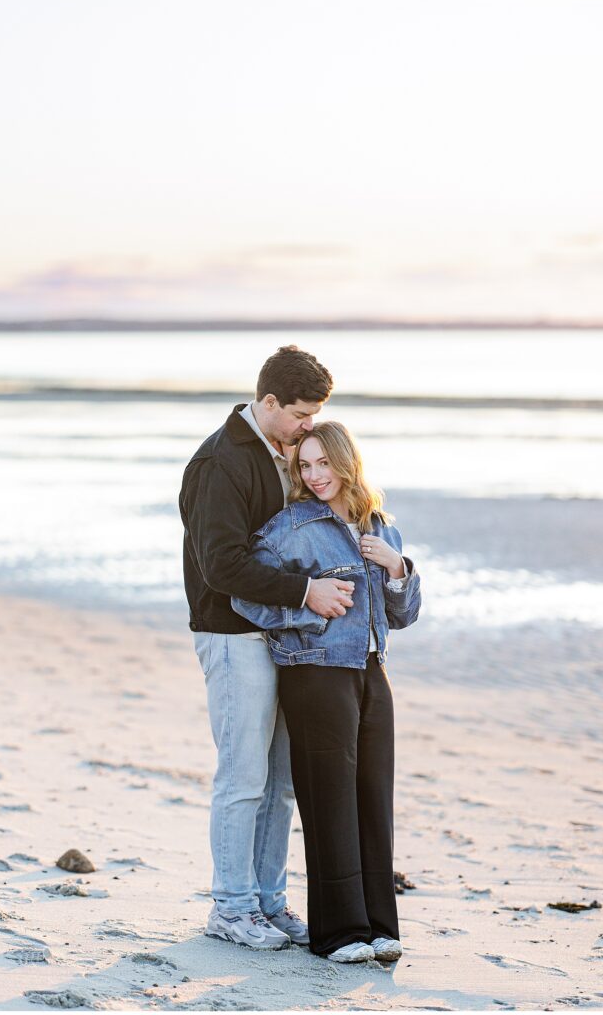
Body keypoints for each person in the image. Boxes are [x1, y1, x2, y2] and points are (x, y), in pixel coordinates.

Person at [179, 347, 358, 952]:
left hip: (283, 638)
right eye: (302, 414)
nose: (311, 426)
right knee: (243, 778)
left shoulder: (285, 455)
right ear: (270, 402)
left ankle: (269, 902)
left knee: (280, 782)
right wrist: (306, 591)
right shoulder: (221, 462)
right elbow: (222, 565)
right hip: (232, 636)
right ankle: (230, 908)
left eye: (317, 415)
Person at [231, 421, 421, 963]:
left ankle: (380, 928)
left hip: (370, 671)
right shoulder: (291, 527)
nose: (314, 476)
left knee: (372, 800)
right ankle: (338, 934)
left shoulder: (382, 527)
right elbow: (248, 596)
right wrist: (304, 607)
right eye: (304, 466)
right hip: (314, 673)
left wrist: (399, 569)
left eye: (323, 464)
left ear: (346, 464)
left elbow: (402, 616)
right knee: (328, 801)